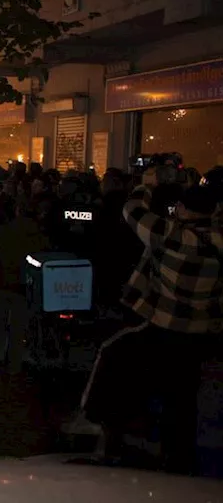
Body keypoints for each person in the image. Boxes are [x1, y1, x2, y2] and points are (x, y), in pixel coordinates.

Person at [79, 175, 224, 474]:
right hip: (202, 334)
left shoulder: (172, 234)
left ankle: (108, 432)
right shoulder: (220, 240)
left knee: (113, 355)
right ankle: (178, 460)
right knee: (182, 397)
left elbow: (132, 209)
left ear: (182, 209)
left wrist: (149, 182)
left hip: (165, 326)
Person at [0, 199, 49, 374]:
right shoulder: (38, 234)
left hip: (3, 281)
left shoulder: (4, 230)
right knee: (18, 328)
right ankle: (14, 364)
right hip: (23, 285)